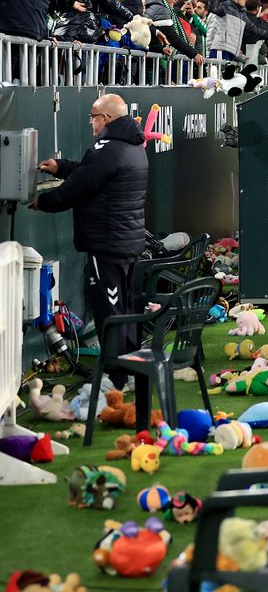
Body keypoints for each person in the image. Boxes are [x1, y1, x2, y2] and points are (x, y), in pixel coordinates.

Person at [32, 93, 148, 385]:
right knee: (124, 308)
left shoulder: (107, 148)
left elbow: (78, 187)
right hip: (125, 241)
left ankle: (116, 377)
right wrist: (62, 167)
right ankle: (129, 369)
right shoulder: (131, 144)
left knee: (109, 310)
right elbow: (93, 172)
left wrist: (43, 202)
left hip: (107, 244)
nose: (91, 123)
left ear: (105, 118)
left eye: (92, 117)